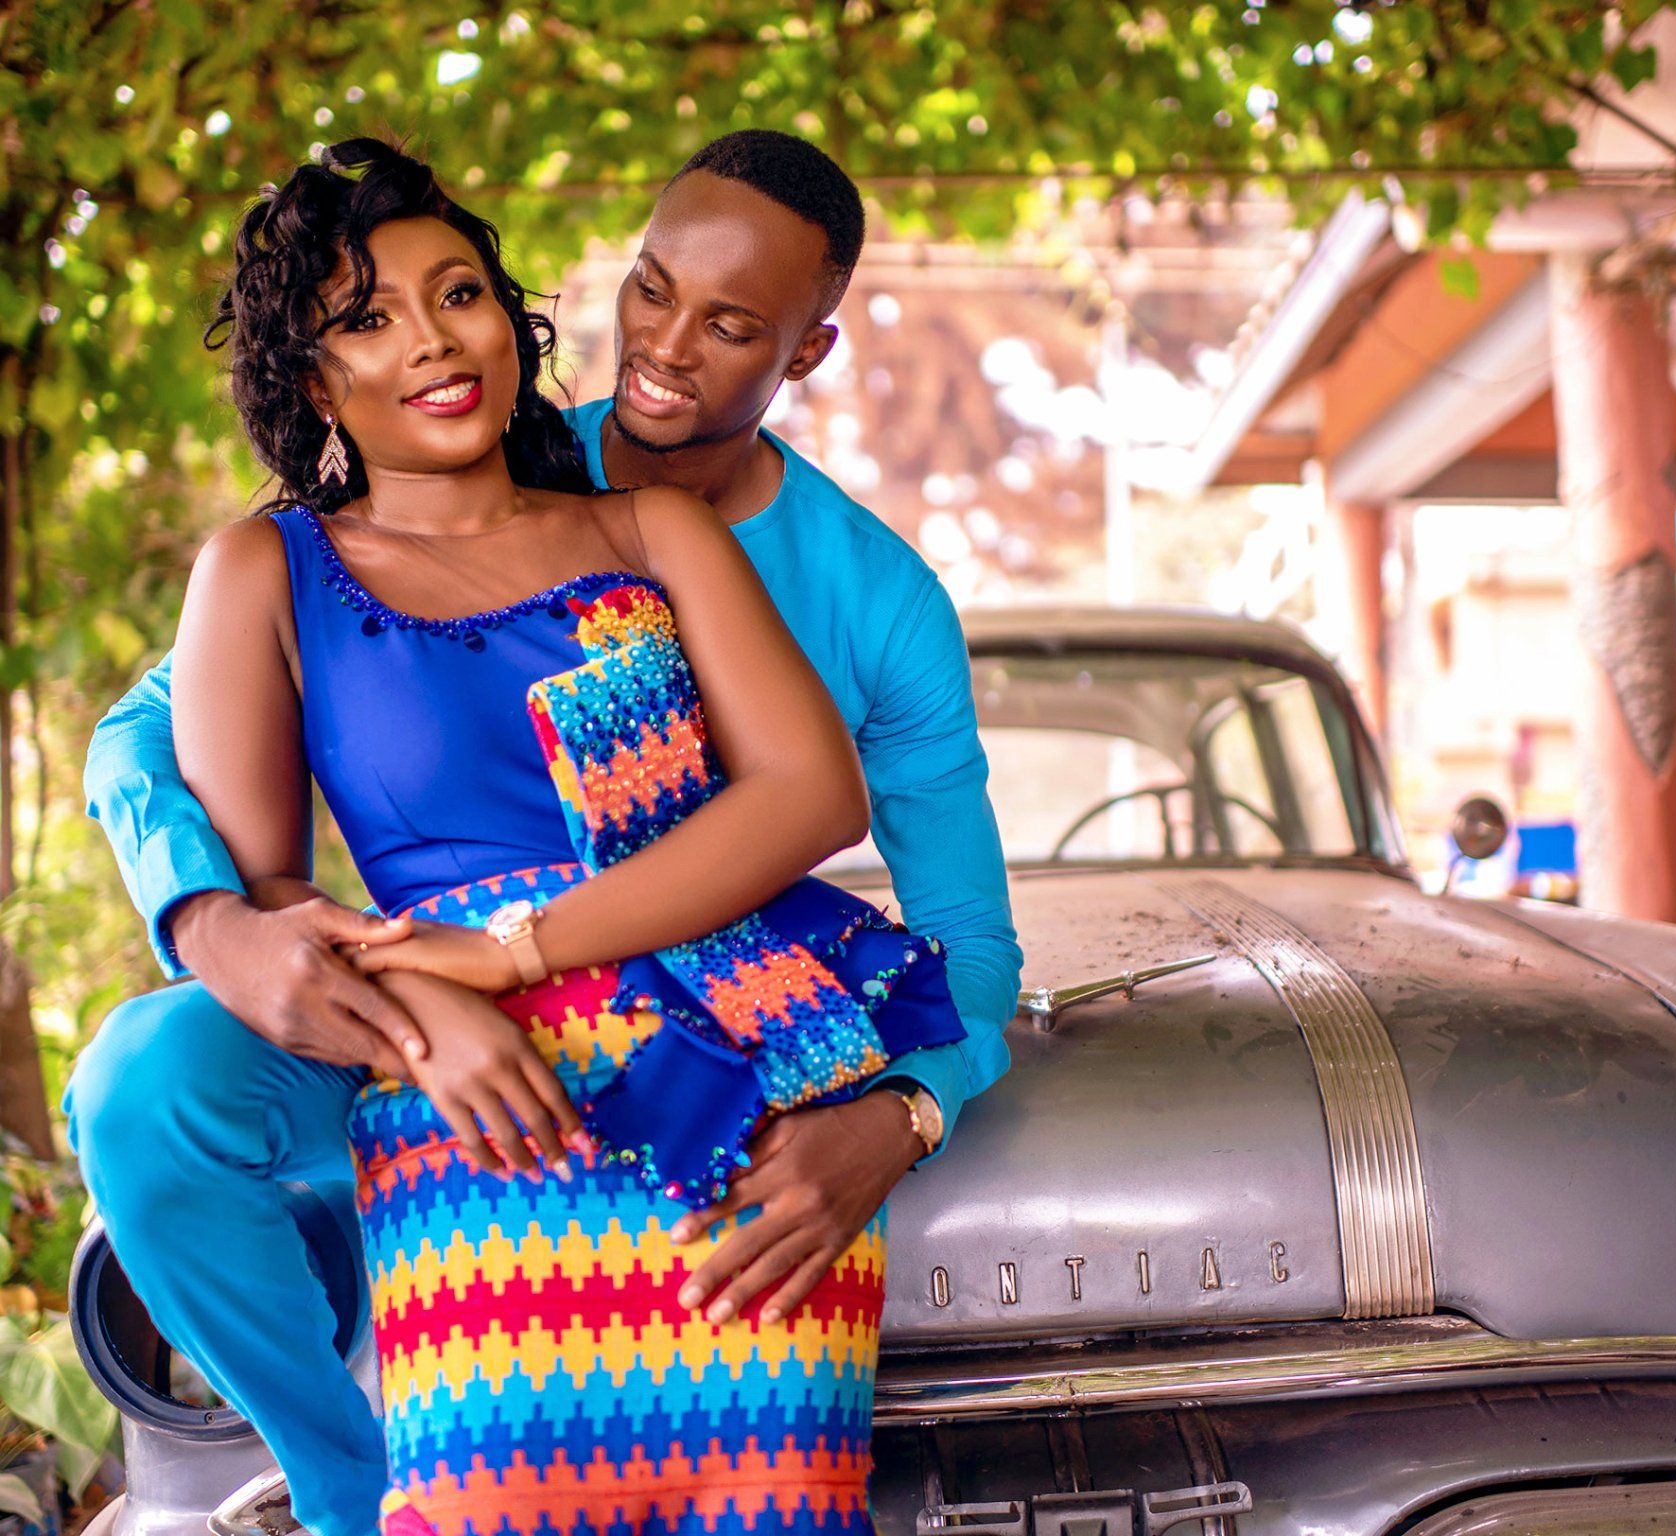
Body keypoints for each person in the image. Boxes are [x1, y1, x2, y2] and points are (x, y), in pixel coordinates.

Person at [66, 132, 1020, 1536]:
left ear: (805, 352)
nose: (666, 349)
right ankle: (345, 1488)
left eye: (732, 326)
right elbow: (147, 739)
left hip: (717, 1002)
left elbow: (953, 921)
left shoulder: (836, 589)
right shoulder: (361, 510)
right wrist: (224, 925)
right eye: (653, 290)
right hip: (425, 989)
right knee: (145, 1081)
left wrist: (903, 1114)